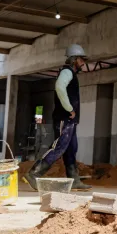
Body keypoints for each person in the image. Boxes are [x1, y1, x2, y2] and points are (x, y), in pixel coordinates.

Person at [24, 44, 91, 191]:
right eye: (81, 59)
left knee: (71, 148)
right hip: (64, 119)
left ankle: (74, 179)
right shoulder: (67, 72)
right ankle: (34, 173)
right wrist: (69, 108)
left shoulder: (71, 74)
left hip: (70, 121)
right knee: (59, 147)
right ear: (74, 59)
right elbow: (60, 87)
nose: (83, 63)